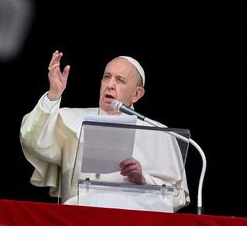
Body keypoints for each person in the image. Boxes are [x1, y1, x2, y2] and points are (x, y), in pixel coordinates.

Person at [19, 50, 190, 211]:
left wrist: (143, 179)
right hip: (77, 223)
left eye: (120, 80)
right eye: (106, 77)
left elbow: (177, 197)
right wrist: (54, 94)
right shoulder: (71, 118)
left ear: (137, 94)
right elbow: (31, 138)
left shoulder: (159, 133)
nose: (110, 85)